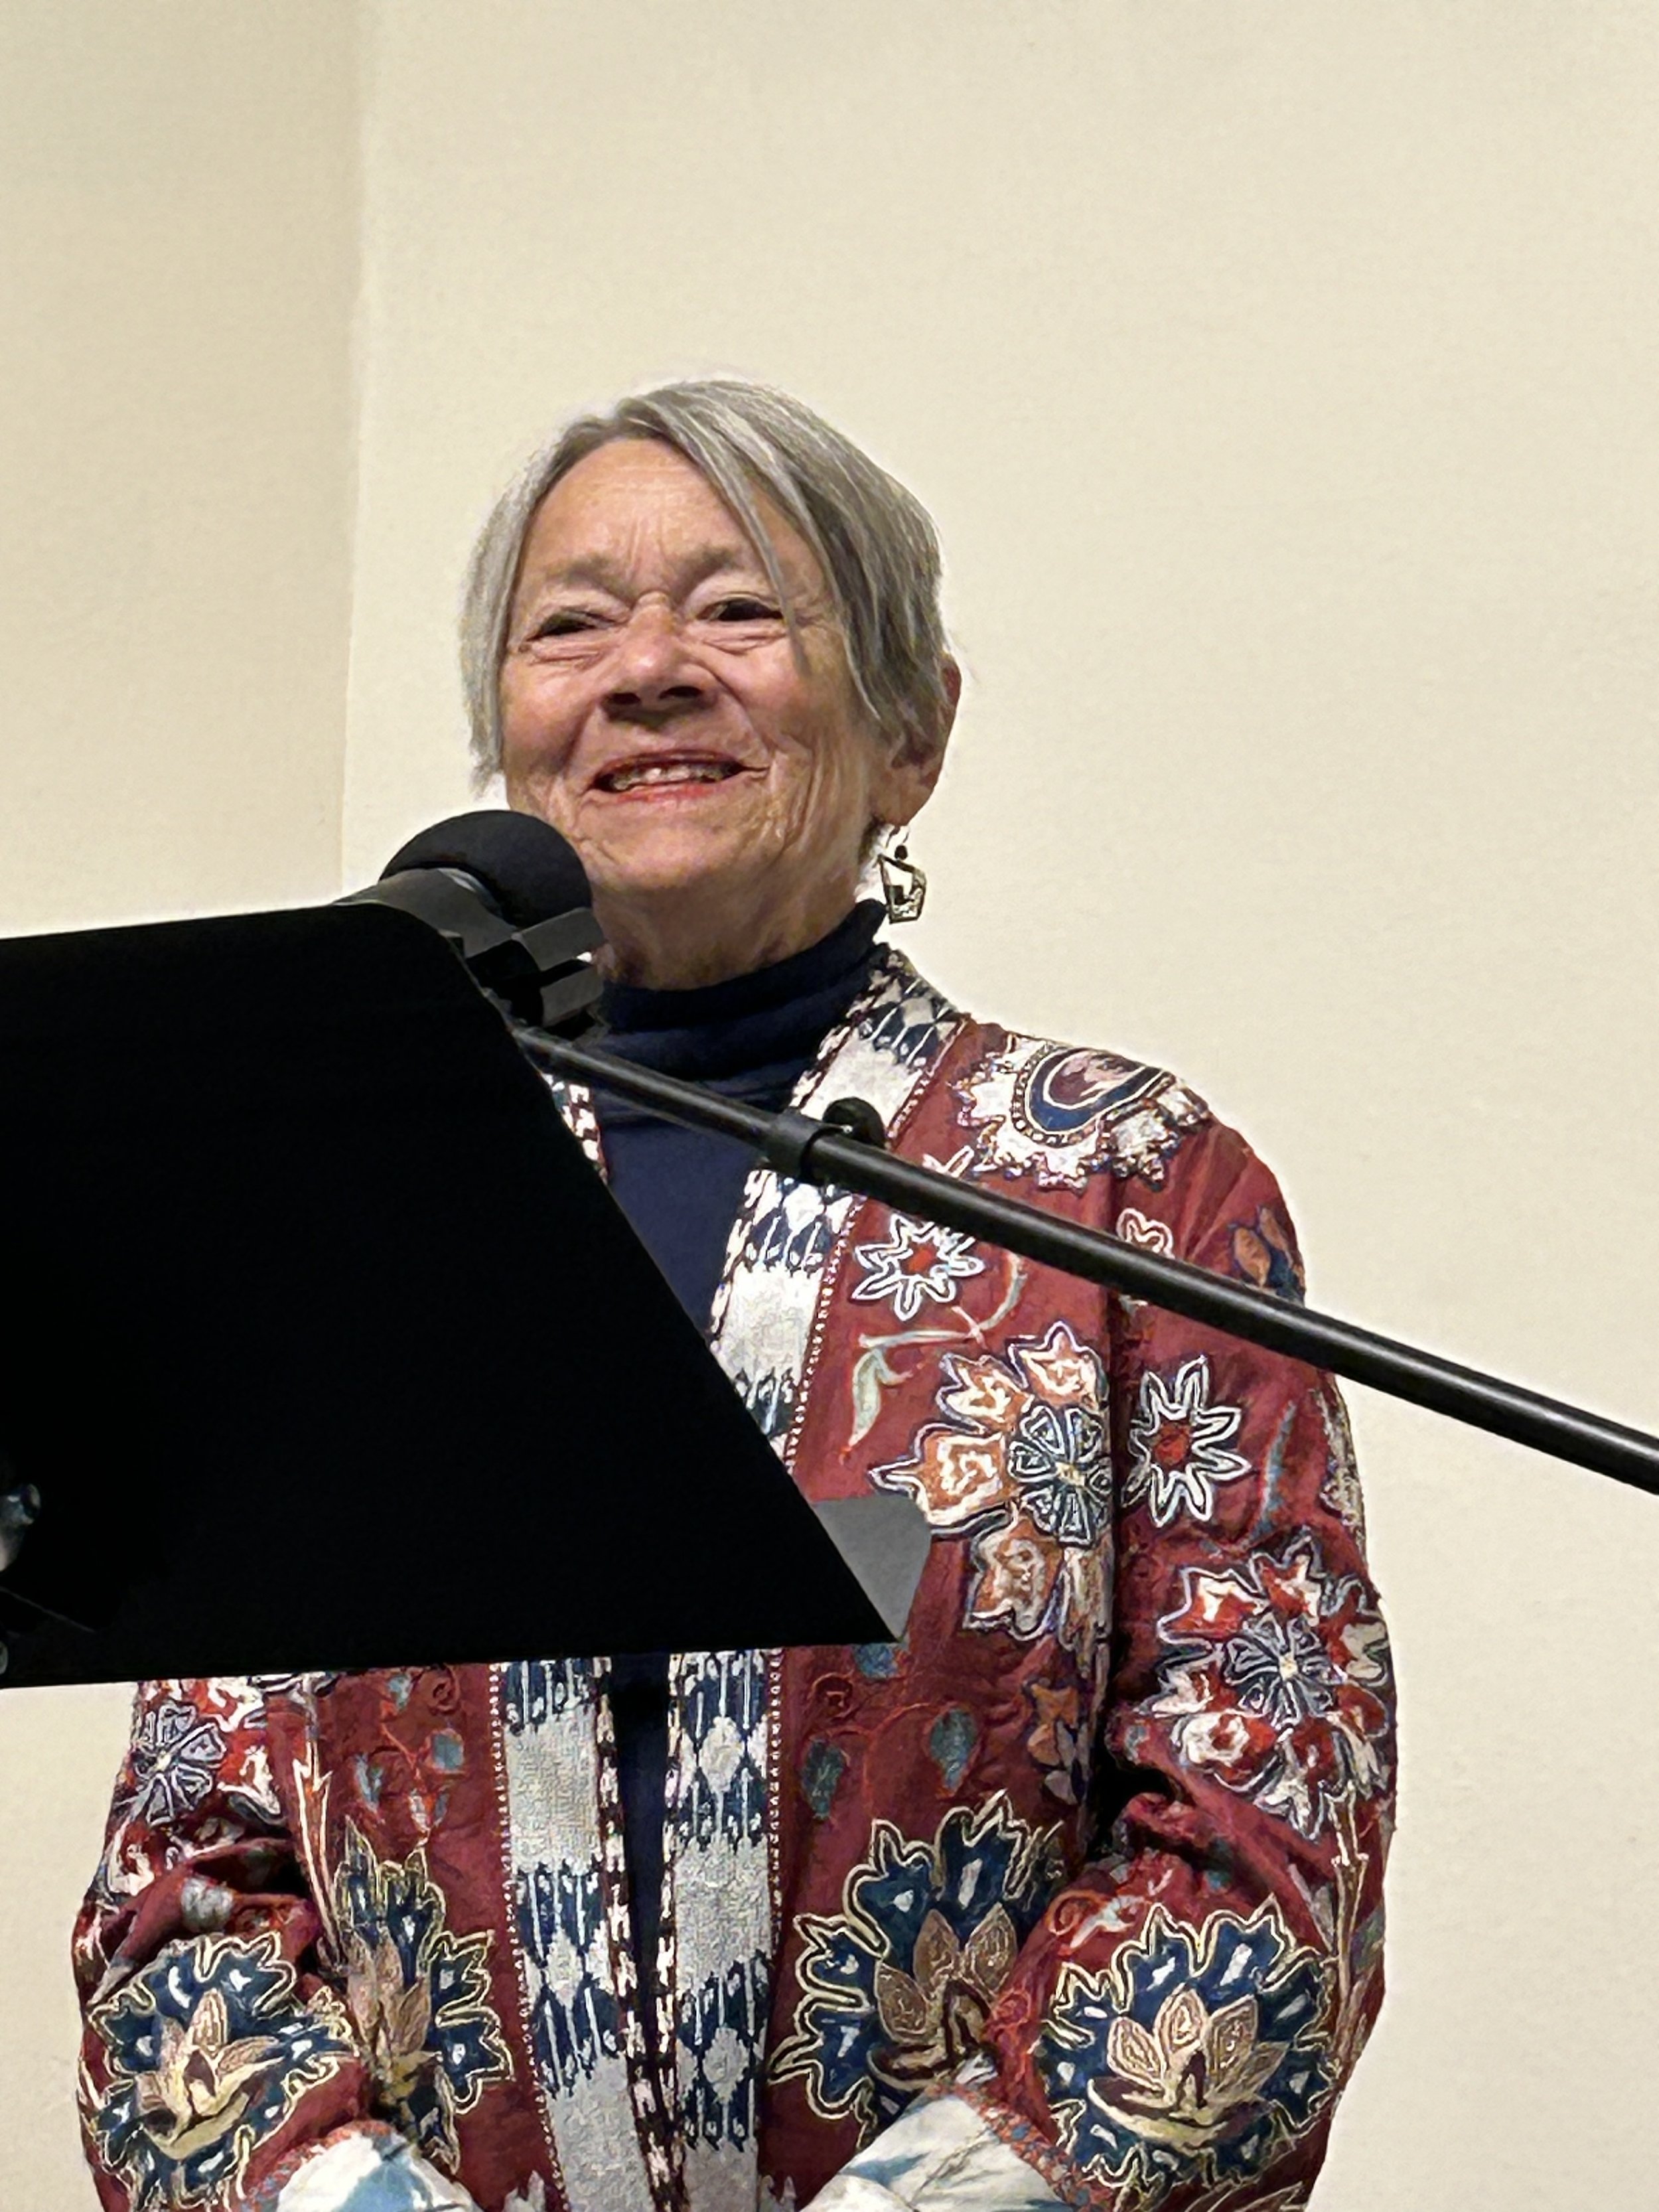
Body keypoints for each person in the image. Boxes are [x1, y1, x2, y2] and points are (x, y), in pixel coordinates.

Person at [73, 382, 1394, 2212]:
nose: (648, 672)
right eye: (570, 625)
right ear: (508, 739)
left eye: (740, 607)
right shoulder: (343, 1211)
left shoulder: (1123, 1189)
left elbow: (1264, 1831)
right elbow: (187, 1882)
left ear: (911, 733)